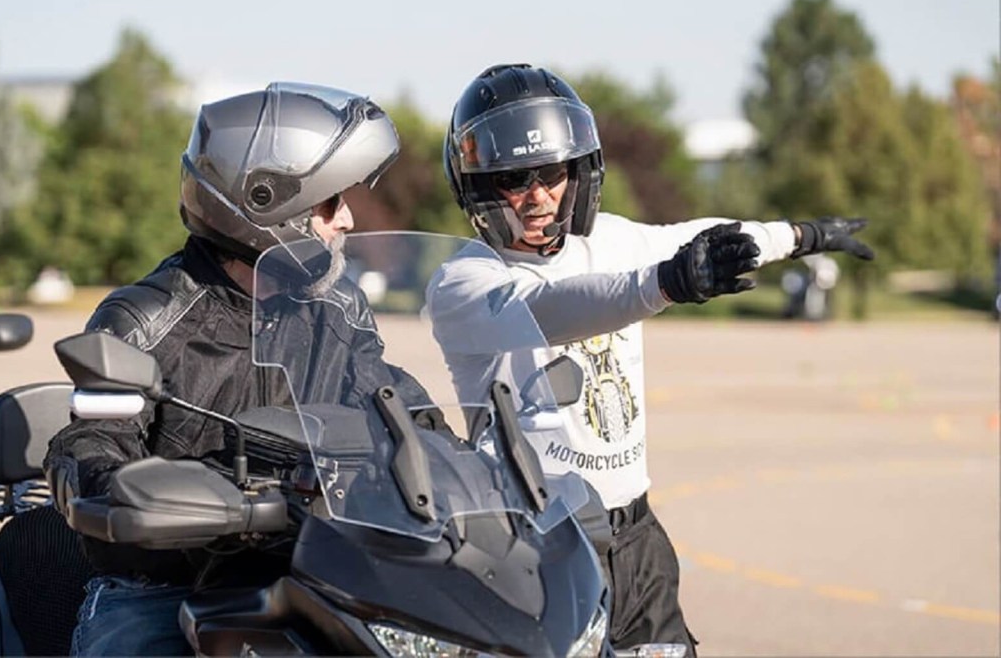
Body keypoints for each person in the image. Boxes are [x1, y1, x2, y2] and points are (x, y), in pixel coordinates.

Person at [432, 63, 875, 653]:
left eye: (551, 172)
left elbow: (710, 234)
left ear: (579, 171)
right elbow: (554, 307)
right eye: (515, 178)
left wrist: (802, 236)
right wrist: (666, 283)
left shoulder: (612, 242)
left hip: (636, 537)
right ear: (482, 188)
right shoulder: (463, 282)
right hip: (538, 544)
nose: (538, 195)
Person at [44, 82, 434, 656]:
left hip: (318, 573)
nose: (347, 220)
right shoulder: (146, 320)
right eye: (332, 203)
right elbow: (86, 443)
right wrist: (150, 500)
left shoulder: (338, 308)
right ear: (268, 205)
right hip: (168, 589)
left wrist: (463, 457)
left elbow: (394, 402)